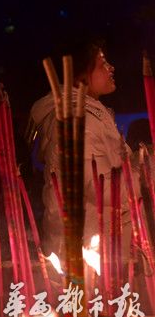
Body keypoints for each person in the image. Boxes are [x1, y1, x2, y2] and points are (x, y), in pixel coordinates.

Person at [29, 39, 134, 257]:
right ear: (80, 75)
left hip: (98, 243)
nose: (111, 68)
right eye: (102, 64)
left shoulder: (90, 113)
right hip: (89, 251)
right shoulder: (78, 119)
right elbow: (99, 187)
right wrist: (146, 173)